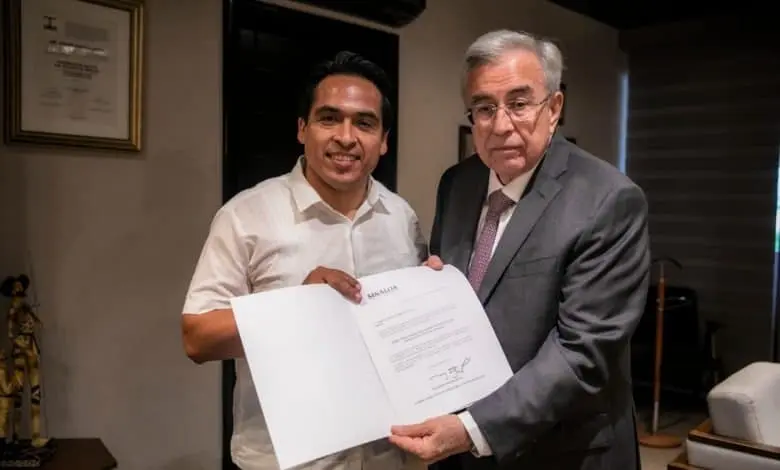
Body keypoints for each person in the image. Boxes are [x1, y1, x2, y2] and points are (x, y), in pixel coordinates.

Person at [388, 29, 650, 470]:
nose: (501, 125)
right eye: (484, 108)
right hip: (462, 444)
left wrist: (474, 428)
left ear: (555, 108)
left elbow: (582, 352)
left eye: (519, 103)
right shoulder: (457, 183)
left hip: (563, 451)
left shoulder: (608, 199)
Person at [181, 51, 428, 470]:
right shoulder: (246, 215)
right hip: (287, 462)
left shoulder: (402, 217)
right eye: (329, 119)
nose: (346, 137)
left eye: (364, 123)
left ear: (384, 140)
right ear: (302, 129)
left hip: (389, 455)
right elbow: (197, 338)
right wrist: (298, 309)